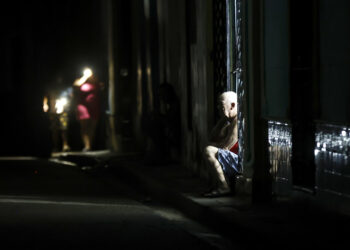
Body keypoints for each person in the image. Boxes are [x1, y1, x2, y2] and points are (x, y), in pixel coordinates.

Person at [203, 91, 240, 197]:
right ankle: (218, 185)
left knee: (209, 150)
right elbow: (212, 137)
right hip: (234, 160)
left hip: (240, 162)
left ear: (232, 105)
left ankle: (223, 186)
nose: (218, 108)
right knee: (210, 147)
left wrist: (216, 146)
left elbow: (226, 147)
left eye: (221, 105)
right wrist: (222, 120)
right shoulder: (230, 122)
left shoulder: (238, 121)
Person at [143, 82, 181, 164]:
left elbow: (171, 121)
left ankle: (160, 155)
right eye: (160, 95)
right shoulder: (169, 105)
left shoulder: (175, 105)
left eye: (163, 95)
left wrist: (159, 117)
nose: (161, 98)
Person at [73, 68, 102, 152]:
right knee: (84, 127)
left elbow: (100, 88)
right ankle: (87, 145)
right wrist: (85, 77)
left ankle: (90, 145)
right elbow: (76, 86)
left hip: (94, 106)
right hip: (83, 107)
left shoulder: (95, 81)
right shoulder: (79, 80)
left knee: (92, 127)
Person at [43, 77, 72, 152]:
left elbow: (70, 96)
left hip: (63, 112)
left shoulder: (65, 88)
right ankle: (55, 146)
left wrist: (67, 104)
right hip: (53, 111)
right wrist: (45, 104)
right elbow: (46, 95)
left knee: (64, 128)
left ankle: (65, 145)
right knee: (54, 129)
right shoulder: (51, 88)